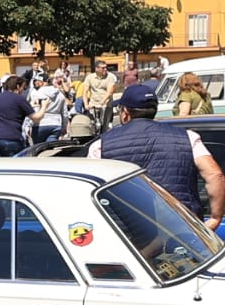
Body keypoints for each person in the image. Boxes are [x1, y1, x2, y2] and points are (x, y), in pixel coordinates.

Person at [91, 84, 225, 226]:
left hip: (126, 232)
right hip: (183, 230)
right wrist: (215, 218)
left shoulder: (101, 145)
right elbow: (214, 175)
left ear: (125, 112)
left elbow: (89, 189)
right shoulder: (187, 137)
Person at [0, 76, 33, 156]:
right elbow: (36, 117)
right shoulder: (19, 98)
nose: (23, 91)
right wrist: (44, 106)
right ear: (17, 86)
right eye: (23, 88)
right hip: (11, 139)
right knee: (13, 166)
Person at [30, 72, 70, 145]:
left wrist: (29, 125)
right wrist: (64, 127)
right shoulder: (60, 95)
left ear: (43, 82)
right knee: (51, 150)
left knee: (38, 149)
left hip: (40, 124)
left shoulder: (37, 93)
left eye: (38, 81)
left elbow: (35, 110)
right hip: (55, 124)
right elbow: (65, 114)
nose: (36, 83)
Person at [81, 60, 118, 129]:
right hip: (93, 104)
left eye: (106, 67)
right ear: (96, 69)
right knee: (92, 125)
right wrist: (86, 104)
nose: (105, 69)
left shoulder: (110, 77)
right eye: (103, 68)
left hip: (105, 105)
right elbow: (84, 92)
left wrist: (101, 103)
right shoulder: (90, 77)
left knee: (105, 126)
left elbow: (110, 92)